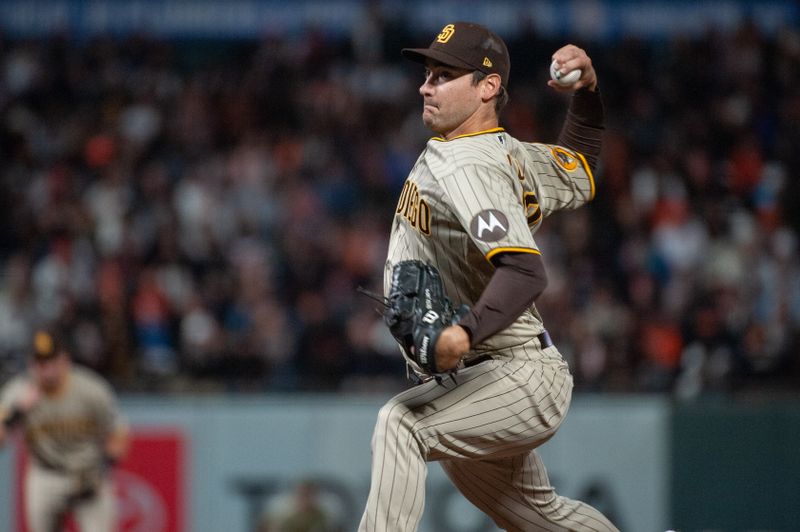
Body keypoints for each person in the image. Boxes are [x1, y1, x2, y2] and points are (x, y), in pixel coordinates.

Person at [359, 22, 618, 531]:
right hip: (483, 379)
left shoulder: (468, 162)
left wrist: (465, 331)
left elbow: (525, 270)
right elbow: (583, 166)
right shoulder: (513, 154)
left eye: (443, 75)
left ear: (487, 86)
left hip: (514, 375)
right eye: (428, 73)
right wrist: (587, 91)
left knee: (402, 423)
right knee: (543, 520)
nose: (425, 86)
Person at [0, 328, 130, 532]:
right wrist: (15, 413)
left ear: (65, 360)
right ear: (31, 364)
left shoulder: (90, 389)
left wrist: (102, 472)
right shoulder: (21, 391)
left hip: (87, 472)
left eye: (51, 360)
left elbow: (118, 433)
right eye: (40, 362)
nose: (46, 368)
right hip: (45, 474)